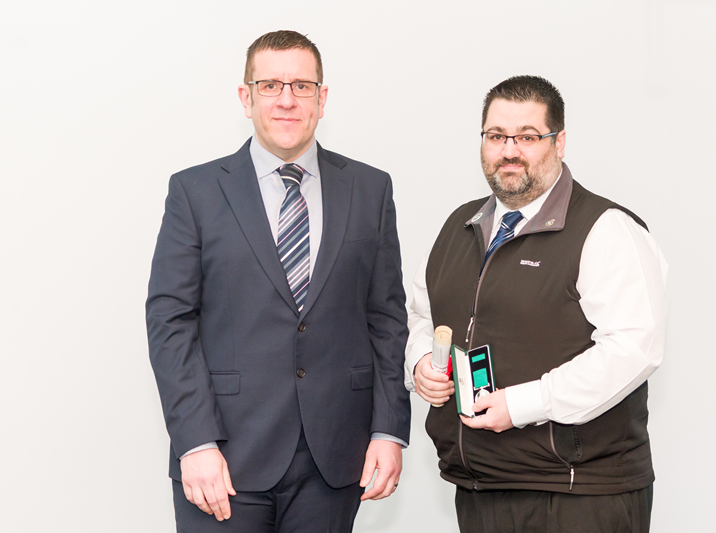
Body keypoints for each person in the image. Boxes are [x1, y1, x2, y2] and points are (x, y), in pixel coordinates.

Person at [146, 30, 410, 532]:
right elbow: (169, 323)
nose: (287, 99)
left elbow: (387, 318)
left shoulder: (370, 189)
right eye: (270, 85)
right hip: (224, 460)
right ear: (246, 97)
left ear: (322, 98)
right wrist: (195, 442)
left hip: (334, 461)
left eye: (302, 86)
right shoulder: (195, 192)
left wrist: (389, 430)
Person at [405, 75, 668, 533]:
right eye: (496, 136)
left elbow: (633, 348)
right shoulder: (457, 227)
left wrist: (524, 403)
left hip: (578, 495)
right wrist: (421, 362)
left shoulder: (607, 229)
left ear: (559, 141)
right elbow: (424, 315)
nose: (510, 150)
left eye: (527, 137)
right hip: (480, 488)